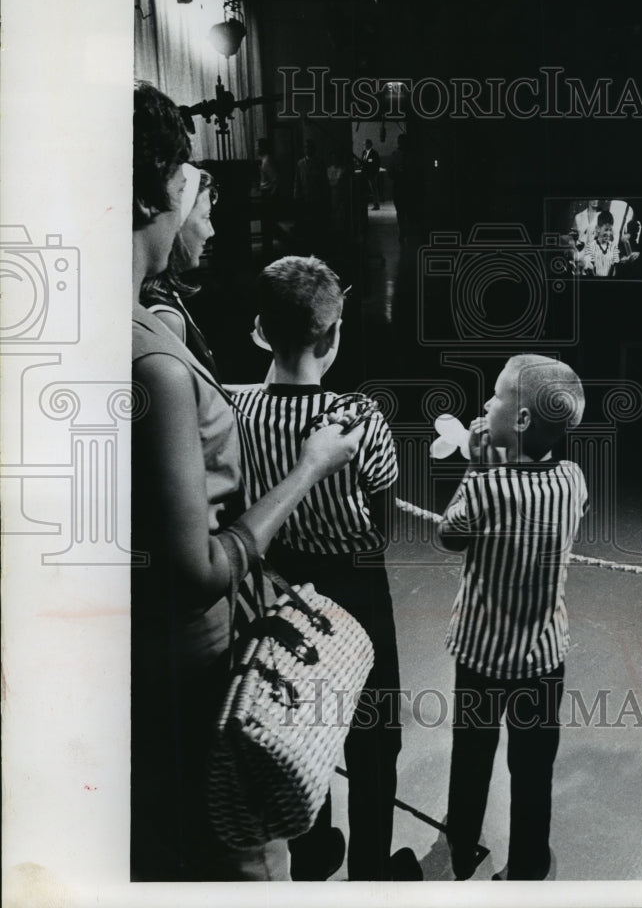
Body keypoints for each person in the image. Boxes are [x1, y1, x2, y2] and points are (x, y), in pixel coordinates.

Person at [131, 82, 364, 882]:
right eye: (191, 181)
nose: (204, 206)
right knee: (243, 862)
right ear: (151, 192)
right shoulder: (154, 362)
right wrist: (309, 466)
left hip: (139, 669)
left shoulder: (125, 324)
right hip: (195, 673)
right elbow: (196, 570)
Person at [232, 255, 421, 882]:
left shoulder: (237, 409)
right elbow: (382, 525)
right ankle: (371, 870)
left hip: (280, 581)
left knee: (300, 719)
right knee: (373, 735)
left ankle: (313, 852)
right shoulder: (359, 419)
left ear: (261, 330)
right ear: (332, 336)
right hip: (356, 585)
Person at [438, 355, 588, 881]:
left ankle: (461, 841)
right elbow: (532, 487)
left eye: (497, 396)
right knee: (533, 768)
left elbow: (450, 533)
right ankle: (528, 864)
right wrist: (501, 458)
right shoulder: (573, 479)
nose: (486, 404)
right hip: (542, 658)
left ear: (521, 419)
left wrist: (477, 464)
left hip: (482, 653)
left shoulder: (486, 485)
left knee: (471, 753)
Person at [140, 163, 220, 379]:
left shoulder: (165, 295)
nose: (211, 231)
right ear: (177, 223)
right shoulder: (165, 317)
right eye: (205, 217)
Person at [580, 210, 639, 277]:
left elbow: (616, 263)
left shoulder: (613, 246)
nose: (609, 233)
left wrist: (628, 259)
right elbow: (588, 266)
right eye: (606, 230)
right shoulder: (591, 246)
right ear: (598, 229)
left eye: (610, 230)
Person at [360, 137, 381, 209]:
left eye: (365, 144)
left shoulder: (374, 153)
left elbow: (377, 164)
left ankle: (376, 204)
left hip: (372, 174)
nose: (364, 145)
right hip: (365, 174)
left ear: (369, 144)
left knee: (374, 189)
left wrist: (375, 173)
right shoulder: (364, 152)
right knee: (366, 189)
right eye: (364, 144)